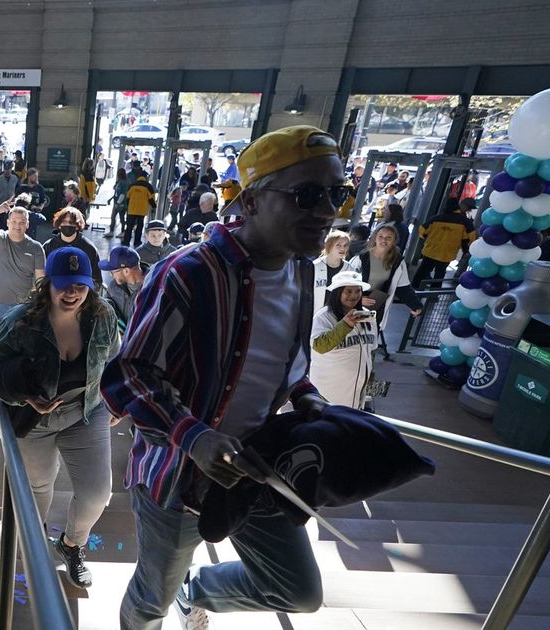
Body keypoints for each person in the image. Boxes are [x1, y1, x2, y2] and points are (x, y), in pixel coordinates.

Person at [102, 125, 344, 629]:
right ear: (251, 202)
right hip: (178, 480)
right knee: (151, 600)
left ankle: (197, 592)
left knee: (297, 591)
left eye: (337, 194)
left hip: (261, 468)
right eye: (306, 194)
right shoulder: (188, 272)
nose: (326, 210)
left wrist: (306, 397)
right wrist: (196, 438)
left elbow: (285, 359)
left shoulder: (303, 270)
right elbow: (128, 375)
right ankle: (170, 599)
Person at [0, 246, 119, 588]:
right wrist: (27, 396)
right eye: (64, 284)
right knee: (39, 486)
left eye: (81, 285)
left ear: (91, 286)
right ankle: (36, 541)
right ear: (48, 284)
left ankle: (72, 545)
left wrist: (117, 401)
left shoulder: (102, 316)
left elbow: (116, 358)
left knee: (97, 492)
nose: (72, 293)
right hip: (34, 420)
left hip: (86, 410)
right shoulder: (21, 322)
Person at [346, 224, 422, 359]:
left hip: (377, 306)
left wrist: (415, 305)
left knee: (368, 342)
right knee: (351, 339)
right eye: (380, 236)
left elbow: (403, 286)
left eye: (389, 238)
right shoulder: (361, 259)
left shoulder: (398, 262)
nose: (384, 240)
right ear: (374, 238)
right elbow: (345, 284)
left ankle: (364, 375)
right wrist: (358, 298)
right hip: (357, 305)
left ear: (394, 241)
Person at [310, 271, 378, 409]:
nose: (354, 296)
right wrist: (345, 324)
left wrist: (370, 377)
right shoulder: (323, 317)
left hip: (359, 390)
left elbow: (372, 349)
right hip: (329, 391)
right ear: (337, 292)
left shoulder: (367, 315)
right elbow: (319, 346)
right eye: (348, 291)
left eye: (358, 291)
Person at [0, 198, 46, 328]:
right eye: (14, 221)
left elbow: (40, 280)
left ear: (27, 224)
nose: (17, 225)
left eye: (22, 222)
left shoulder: (36, 248)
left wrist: (37, 306)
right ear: (8, 223)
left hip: (23, 307)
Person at [412, 199, 476, 287]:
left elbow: (422, 231)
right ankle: (432, 295)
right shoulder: (465, 222)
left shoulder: (436, 218)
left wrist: (430, 239)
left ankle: (414, 289)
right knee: (439, 275)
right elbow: (470, 238)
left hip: (430, 250)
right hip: (447, 254)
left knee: (422, 271)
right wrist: (465, 250)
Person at [42, 207, 101, 288]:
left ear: (77, 225)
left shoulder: (89, 248)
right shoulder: (48, 246)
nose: (68, 225)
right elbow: (42, 275)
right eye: (64, 222)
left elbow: (96, 279)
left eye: (71, 222)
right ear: (59, 225)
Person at [99, 245, 148, 330]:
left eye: (112, 271)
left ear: (126, 271)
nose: (111, 275)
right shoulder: (113, 286)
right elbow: (108, 304)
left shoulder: (154, 289)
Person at [313, 229, 351, 319]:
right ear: (329, 246)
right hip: (315, 314)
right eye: (338, 245)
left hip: (336, 315)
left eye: (345, 245)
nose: (343, 248)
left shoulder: (349, 268)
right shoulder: (315, 266)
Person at [122, 170, 156, 247]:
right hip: (141, 211)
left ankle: (126, 241)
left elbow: (127, 197)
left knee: (129, 226)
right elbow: (151, 199)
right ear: (145, 177)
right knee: (139, 227)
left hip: (132, 210)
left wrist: (128, 206)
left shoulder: (132, 185)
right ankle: (137, 242)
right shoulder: (148, 186)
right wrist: (154, 207)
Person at [107, 167, 130, 238]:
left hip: (121, 204)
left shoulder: (123, 183)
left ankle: (122, 232)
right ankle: (112, 231)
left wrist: (118, 203)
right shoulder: (120, 182)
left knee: (121, 217)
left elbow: (123, 194)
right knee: (115, 217)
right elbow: (116, 193)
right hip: (117, 202)